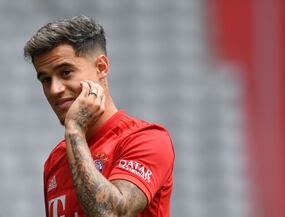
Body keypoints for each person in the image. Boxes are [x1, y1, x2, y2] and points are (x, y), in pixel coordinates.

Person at [23, 15, 175, 217]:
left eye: (66, 72)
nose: (54, 89)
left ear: (101, 67)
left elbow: (112, 213)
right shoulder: (56, 159)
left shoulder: (146, 139)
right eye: (45, 79)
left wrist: (75, 128)